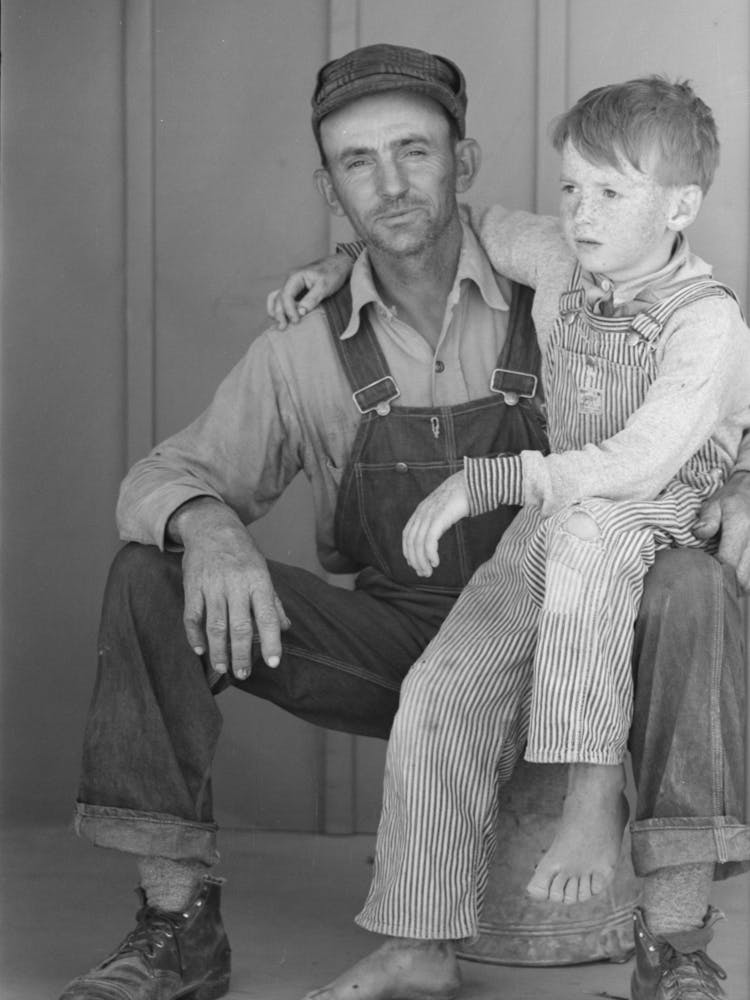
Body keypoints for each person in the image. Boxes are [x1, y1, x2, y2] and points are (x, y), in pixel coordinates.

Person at [58, 43, 749, 1000]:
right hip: (412, 647)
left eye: (415, 152)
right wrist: (207, 527)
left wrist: (744, 482)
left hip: (597, 648)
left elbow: (701, 399)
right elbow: (161, 476)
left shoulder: (567, 278)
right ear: (330, 187)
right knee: (152, 569)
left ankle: (674, 948)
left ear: (461, 165)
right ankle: (180, 930)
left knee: (693, 578)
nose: (389, 183)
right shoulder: (306, 345)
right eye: (357, 163)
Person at [268, 76, 750, 1000]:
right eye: (571, 188)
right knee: (444, 687)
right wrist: (343, 265)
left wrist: (499, 477)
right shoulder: (566, 259)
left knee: (588, 542)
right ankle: (418, 939)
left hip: (656, 507)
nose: (580, 213)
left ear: (682, 205)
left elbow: (643, 458)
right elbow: (466, 222)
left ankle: (588, 800)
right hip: (558, 507)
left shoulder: (707, 322)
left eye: (613, 193)